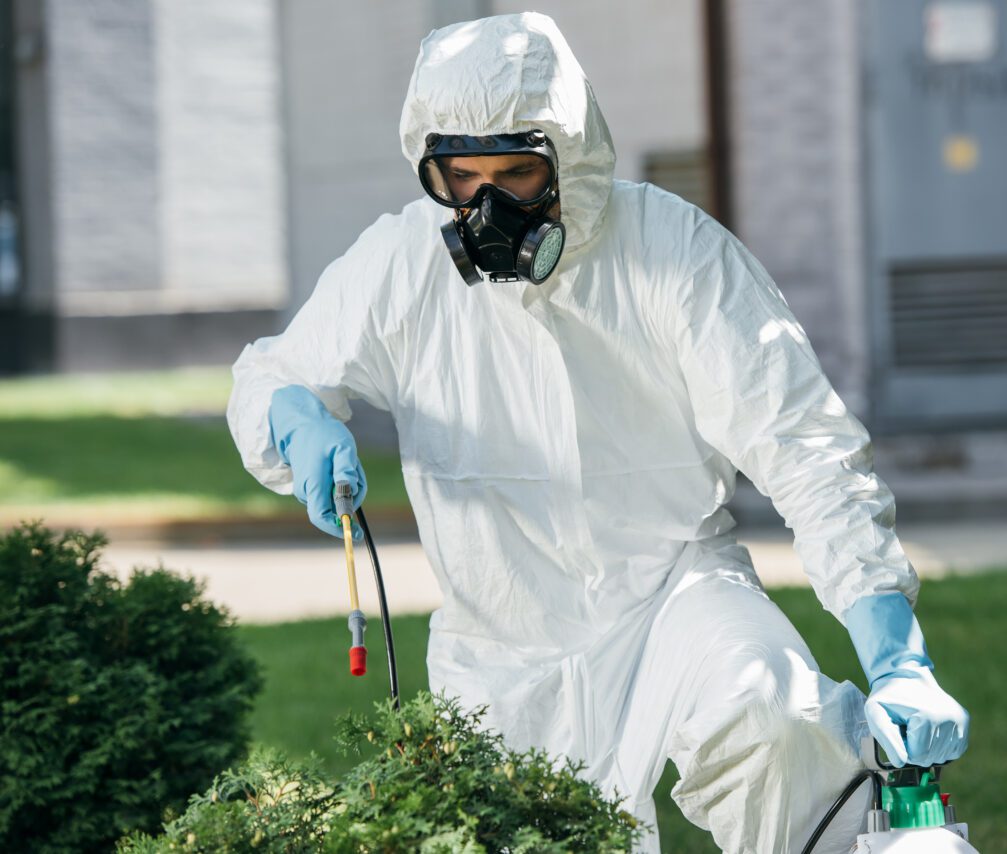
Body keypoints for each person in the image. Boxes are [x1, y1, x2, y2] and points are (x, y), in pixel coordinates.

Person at [227, 13, 968, 853]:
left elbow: (806, 447)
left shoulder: (671, 252)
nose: (488, 207)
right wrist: (294, 417)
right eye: (460, 179)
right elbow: (270, 374)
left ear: (570, 160)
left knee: (775, 724)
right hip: (500, 649)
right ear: (428, 168)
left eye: (517, 173)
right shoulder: (402, 267)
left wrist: (897, 655)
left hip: (676, 596)